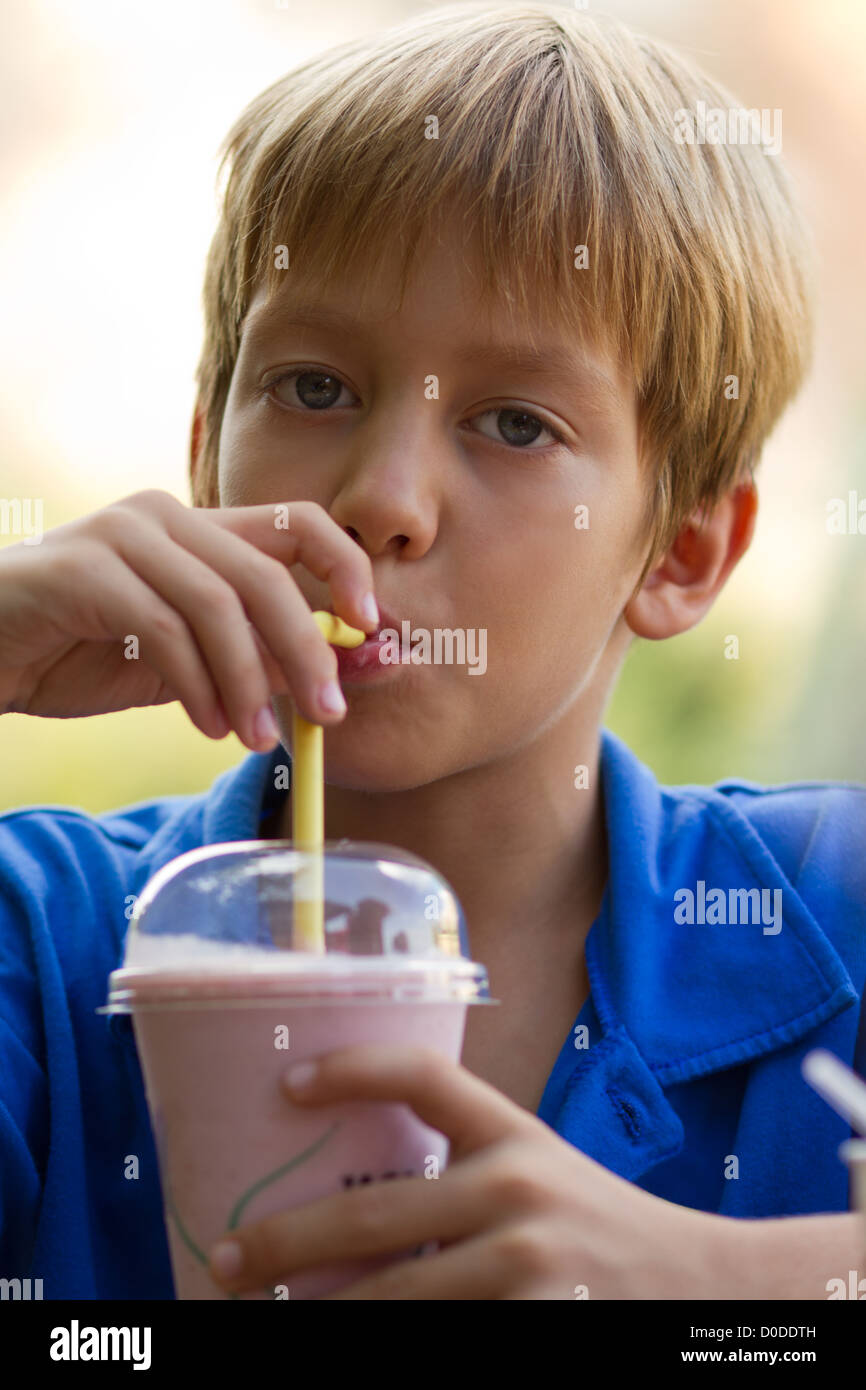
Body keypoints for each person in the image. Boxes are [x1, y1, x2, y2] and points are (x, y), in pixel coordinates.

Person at [1, 2, 864, 1300]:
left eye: (512, 421)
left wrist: (722, 1282)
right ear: (203, 449)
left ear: (682, 550)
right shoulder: (45, 936)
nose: (383, 496)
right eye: (313, 388)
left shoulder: (833, 916)